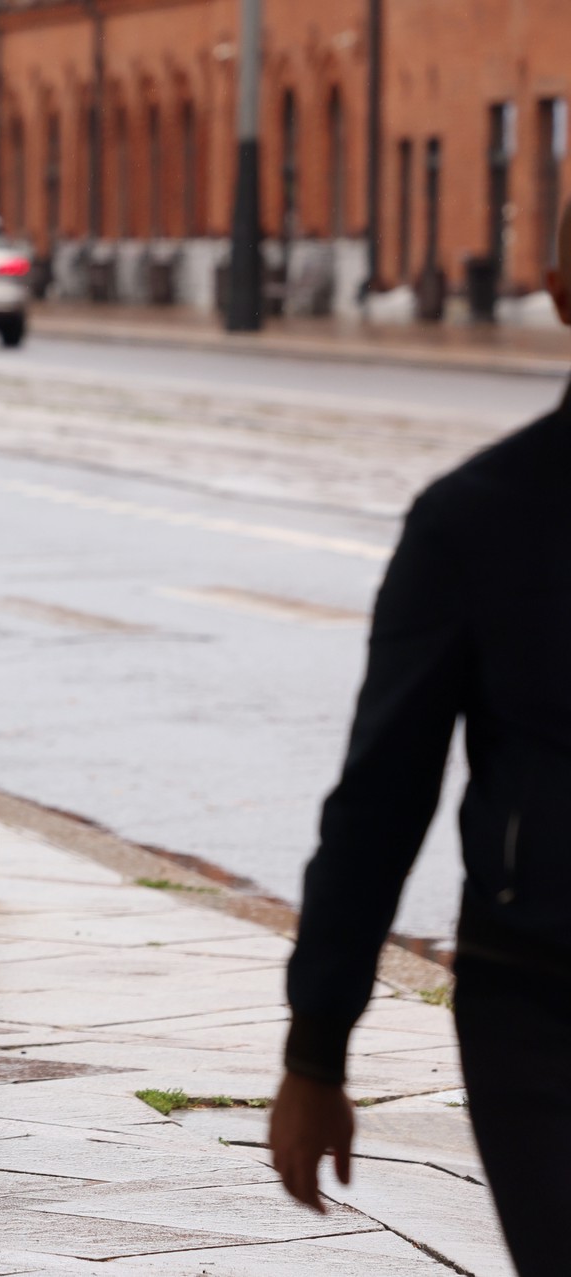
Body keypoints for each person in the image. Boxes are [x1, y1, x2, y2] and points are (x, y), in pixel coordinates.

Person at [269, 201, 571, 1277]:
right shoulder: (480, 519)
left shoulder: (469, 515)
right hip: (543, 1002)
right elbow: (383, 793)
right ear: (562, 286)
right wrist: (317, 1043)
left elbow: (380, 796)